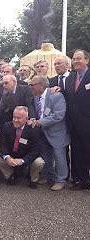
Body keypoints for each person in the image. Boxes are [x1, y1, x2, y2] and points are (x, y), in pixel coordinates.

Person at [29, 75, 69, 191]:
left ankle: (61, 180)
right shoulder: (36, 97)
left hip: (57, 132)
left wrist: (40, 122)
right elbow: (39, 113)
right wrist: (34, 120)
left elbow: (58, 115)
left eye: (32, 85)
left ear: (41, 85)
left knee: (59, 156)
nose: (30, 87)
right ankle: (50, 177)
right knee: (47, 156)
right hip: (43, 132)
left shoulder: (56, 96)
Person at [0, 106, 44, 188]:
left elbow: (36, 150)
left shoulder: (33, 129)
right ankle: (11, 176)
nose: (15, 120)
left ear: (26, 118)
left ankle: (33, 179)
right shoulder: (7, 126)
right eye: (14, 117)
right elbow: (3, 145)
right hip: (12, 156)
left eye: (19, 118)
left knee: (39, 162)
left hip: (26, 157)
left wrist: (23, 160)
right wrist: (7, 157)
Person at [64, 49, 90, 190]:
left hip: (88, 123)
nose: (76, 61)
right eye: (74, 59)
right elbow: (69, 97)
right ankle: (80, 180)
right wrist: (58, 90)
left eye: (79, 58)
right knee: (76, 152)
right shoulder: (70, 78)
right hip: (73, 123)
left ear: (86, 60)